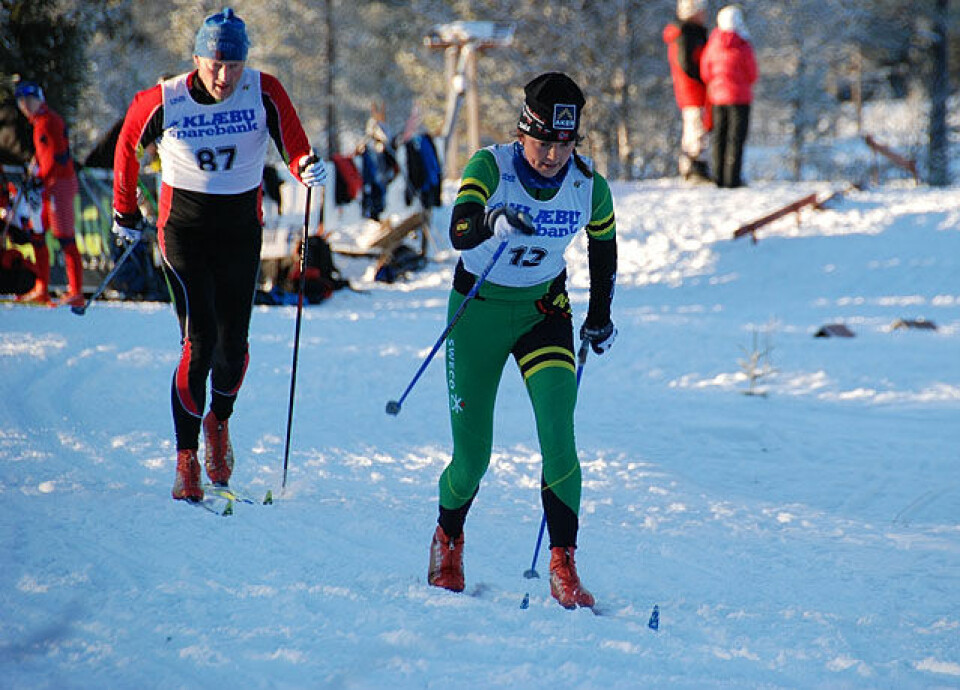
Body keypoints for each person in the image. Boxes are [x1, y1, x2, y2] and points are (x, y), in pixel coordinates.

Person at [112, 7, 327, 502]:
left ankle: (219, 422)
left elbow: (295, 145)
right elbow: (126, 146)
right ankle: (186, 456)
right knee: (200, 340)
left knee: (234, 349)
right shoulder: (164, 99)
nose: (224, 76)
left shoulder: (264, 90)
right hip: (183, 233)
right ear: (196, 59)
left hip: (239, 232)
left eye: (233, 65)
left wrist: (306, 167)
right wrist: (124, 209)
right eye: (214, 65)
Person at [426, 72, 618, 610]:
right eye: (543, 142)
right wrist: (490, 220)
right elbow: (458, 229)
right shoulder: (491, 167)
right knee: (472, 459)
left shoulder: (589, 185)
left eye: (565, 143)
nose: (553, 156)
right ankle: (448, 537)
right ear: (522, 132)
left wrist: (599, 315)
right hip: (478, 313)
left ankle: (563, 564)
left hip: (542, 312)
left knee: (559, 433)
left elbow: (603, 248)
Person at [14, 80, 84, 306]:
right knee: (37, 232)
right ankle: (41, 287)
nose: (26, 105)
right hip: (46, 185)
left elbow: (57, 156)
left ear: (39, 99)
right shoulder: (39, 122)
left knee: (65, 237)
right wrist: (35, 171)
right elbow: (44, 155)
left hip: (58, 184)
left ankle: (76, 291)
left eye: (29, 100)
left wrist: (41, 178)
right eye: (22, 101)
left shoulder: (48, 121)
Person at [700, 4, 757, 188]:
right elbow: (752, 73)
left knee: (719, 136)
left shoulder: (712, 44)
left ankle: (718, 177)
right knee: (736, 138)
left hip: (717, 99)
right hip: (740, 99)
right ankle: (732, 178)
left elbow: (705, 71)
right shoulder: (743, 45)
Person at [663, 0, 712, 183]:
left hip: (691, 89)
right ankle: (694, 166)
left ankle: (693, 165)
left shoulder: (690, 33)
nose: (704, 15)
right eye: (701, 11)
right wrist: (704, 77)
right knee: (696, 126)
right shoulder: (687, 34)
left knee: (694, 125)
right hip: (693, 89)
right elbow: (687, 63)